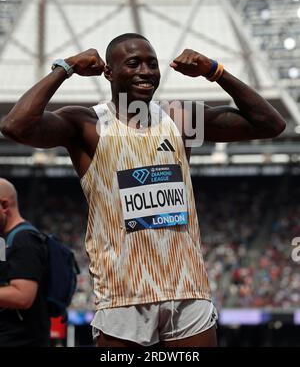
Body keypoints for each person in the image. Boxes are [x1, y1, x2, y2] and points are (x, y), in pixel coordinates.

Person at [0, 33, 286, 347]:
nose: (146, 71)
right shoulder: (87, 124)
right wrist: (65, 67)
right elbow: (16, 126)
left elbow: (269, 124)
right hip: (123, 295)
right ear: (109, 72)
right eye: (133, 63)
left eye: (152, 64)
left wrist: (215, 71)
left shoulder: (180, 119)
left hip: (187, 289)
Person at [0, 178, 50, 346]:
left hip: (23, 341)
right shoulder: (4, 240)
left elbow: (23, 297)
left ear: (4, 206)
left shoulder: (25, 239)